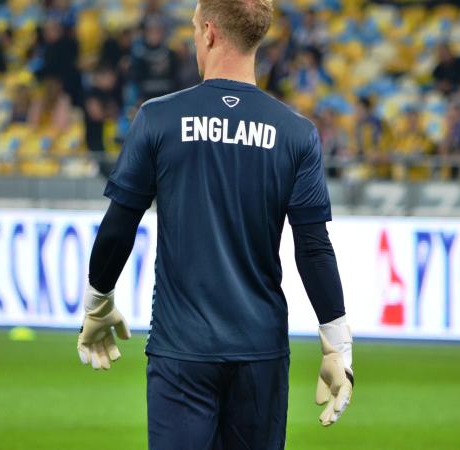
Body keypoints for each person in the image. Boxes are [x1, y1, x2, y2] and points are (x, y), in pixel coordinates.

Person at [75, 2, 353, 449]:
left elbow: (119, 225)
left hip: (181, 350)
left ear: (208, 32)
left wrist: (97, 300)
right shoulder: (296, 133)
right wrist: (337, 343)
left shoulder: (159, 117)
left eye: (191, 28)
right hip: (260, 353)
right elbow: (314, 247)